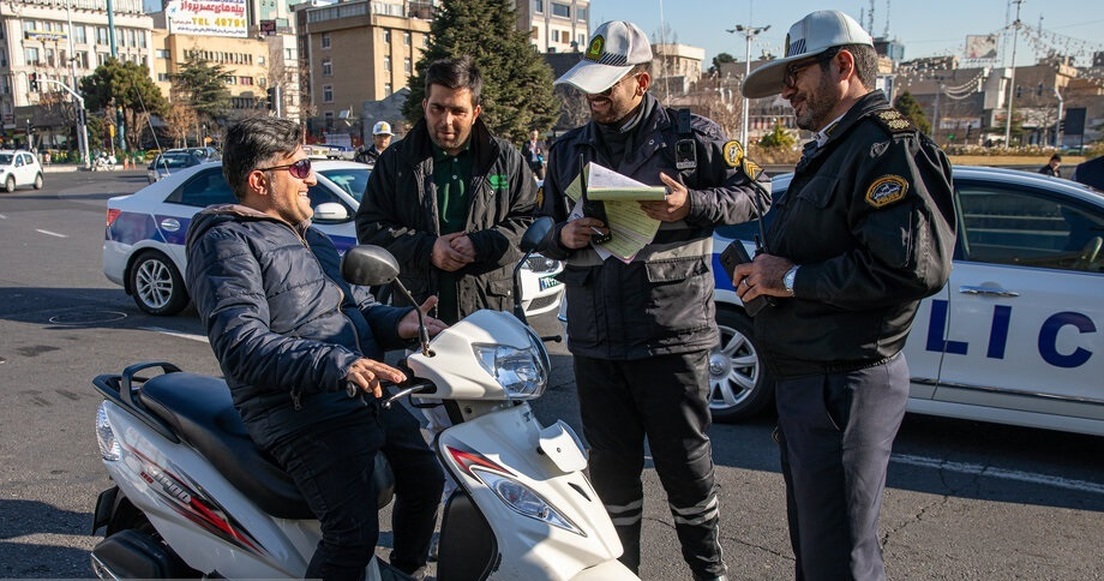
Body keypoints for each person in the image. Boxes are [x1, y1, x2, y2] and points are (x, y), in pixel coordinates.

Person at [537, 20, 766, 581]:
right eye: (585, 87)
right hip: (597, 342)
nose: (592, 98)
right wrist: (559, 236)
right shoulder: (567, 150)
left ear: (640, 81)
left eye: (605, 87)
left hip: (673, 336)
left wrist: (694, 204)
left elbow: (757, 194)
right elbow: (535, 220)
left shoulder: (696, 137)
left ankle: (709, 574)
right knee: (611, 480)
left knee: (687, 472)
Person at [735, 10, 957, 580]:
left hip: (844, 383)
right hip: (813, 382)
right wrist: (766, 274)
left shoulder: (886, 148)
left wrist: (787, 279)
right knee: (819, 551)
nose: (786, 91)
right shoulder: (837, 147)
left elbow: (911, 267)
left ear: (843, 64)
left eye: (796, 74)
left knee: (841, 559)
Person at [185, 116, 447, 581]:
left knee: (426, 478)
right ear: (259, 181)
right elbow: (240, 344)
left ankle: (405, 572)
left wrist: (402, 323)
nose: (313, 180)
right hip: (299, 410)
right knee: (353, 532)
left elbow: (357, 310)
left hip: (355, 391)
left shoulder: (313, 238)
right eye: (301, 168)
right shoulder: (225, 243)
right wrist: (337, 364)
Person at [355, 55, 538, 325]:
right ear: (425, 105)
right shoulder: (396, 161)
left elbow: (528, 221)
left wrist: (479, 245)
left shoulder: (506, 159)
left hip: (491, 318)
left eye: (458, 111)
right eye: (437, 109)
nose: (446, 121)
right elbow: (370, 228)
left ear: (476, 113)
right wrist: (429, 249)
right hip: (421, 317)